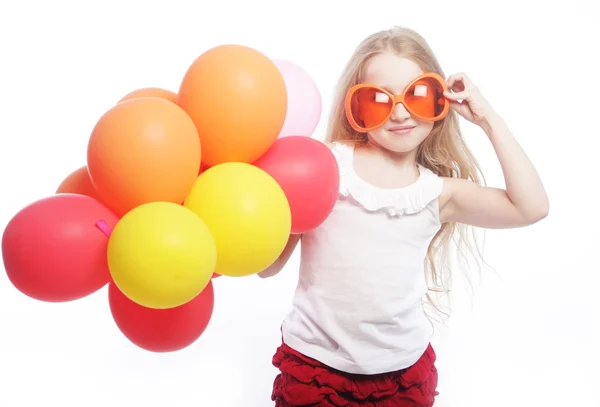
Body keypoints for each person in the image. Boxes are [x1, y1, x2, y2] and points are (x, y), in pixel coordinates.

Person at [258, 26, 549, 407]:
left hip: (402, 376)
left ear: (440, 101)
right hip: (315, 368)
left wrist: (488, 119)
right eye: (378, 99)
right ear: (356, 106)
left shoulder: (438, 194)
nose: (399, 113)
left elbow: (532, 208)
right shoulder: (325, 166)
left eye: (417, 96)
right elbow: (267, 267)